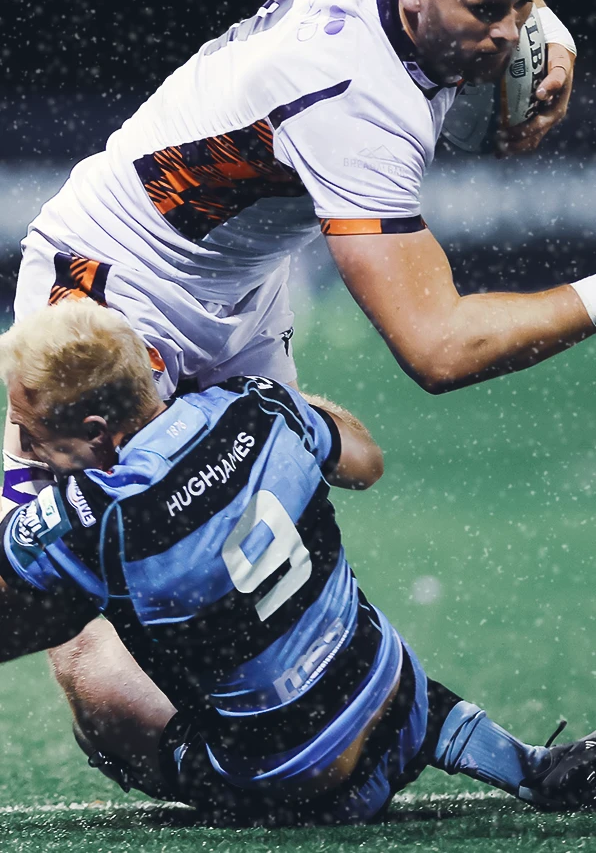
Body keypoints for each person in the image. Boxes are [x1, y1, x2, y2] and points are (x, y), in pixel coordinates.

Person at [3, 0, 584, 516]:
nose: (509, 34)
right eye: (485, 9)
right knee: (61, 572)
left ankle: (233, 415)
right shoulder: (358, 104)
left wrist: (552, 34)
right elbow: (439, 347)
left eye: (523, 2)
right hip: (107, 279)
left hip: (236, 289)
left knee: (316, 504)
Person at [0, 298, 595, 825]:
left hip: (301, 789)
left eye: (30, 435)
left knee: (78, 643)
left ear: (98, 432)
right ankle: (521, 760)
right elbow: (364, 462)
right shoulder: (255, 404)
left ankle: (199, 765)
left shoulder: (91, 518)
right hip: (400, 702)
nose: (23, 451)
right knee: (325, 626)